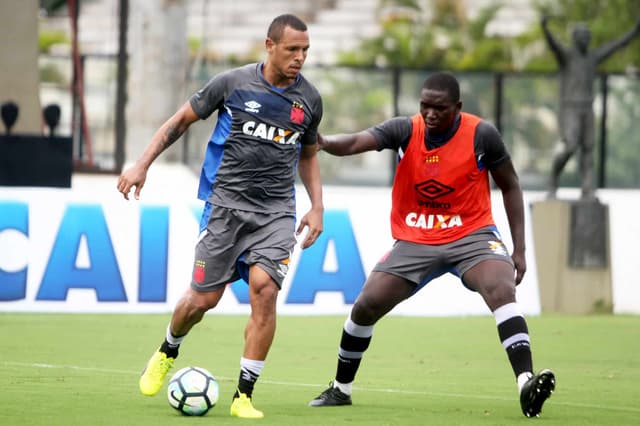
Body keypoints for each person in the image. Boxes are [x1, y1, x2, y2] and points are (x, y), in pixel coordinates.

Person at [307, 72, 555, 418]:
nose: (430, 113)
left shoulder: (482, 135)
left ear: (457, 107)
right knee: (366, 305)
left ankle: (526, 383)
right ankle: (340, 389)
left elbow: (511, 185)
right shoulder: (405, 130)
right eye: (425, 105)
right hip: (416, 238)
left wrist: (520, 249)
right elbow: (357, 142)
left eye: (439, 108)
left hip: (472, 235)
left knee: (501, 287)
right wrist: (324, 142)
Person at [117, 14, 324, 419]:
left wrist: (317, 205)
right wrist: (141, 164)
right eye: (292, 49)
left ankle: (243, 395)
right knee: (201, 301)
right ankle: (167, 350)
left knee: (265, 290)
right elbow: (179, 122)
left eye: (305, 51)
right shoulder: (232, 84)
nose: (300, 58)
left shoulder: (310, 100)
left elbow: (309, 153)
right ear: (269, 45)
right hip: (225, 207)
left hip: (276, 212)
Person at [541, 15, 640, 200]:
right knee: (570, 145)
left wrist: (634, 31)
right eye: (583, 35)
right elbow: (554, 45)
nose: (587, 39)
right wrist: (545, 28)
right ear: (575, 37)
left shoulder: (592, 57)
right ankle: (553, 178)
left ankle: (588, 187)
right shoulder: (568, 57)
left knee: (588, 148)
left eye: (588, 35)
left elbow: (615, 45)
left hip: (587, 108)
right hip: (571, 107)